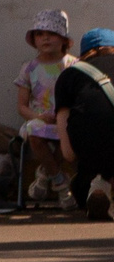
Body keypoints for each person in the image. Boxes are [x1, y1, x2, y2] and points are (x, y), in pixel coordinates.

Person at [53, 27, 114, 222]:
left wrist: (73, 156)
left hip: (88, 139)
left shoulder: (68, 75)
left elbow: (68, 153)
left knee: (86, 175)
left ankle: (96, 188)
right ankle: (104, 187)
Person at [16, 9, 74, 208]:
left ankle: (44, 173)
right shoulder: (30, 68)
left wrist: (63, 116)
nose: (45, 38)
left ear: (63, 39)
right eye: (40, 34)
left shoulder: (72, 65)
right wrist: (38, 116)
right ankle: (60, 182)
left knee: (70, 134)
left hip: (66, 121)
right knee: (34, 131)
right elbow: (22, 106)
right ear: (34, 40)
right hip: (39, 120)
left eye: (51, 33)